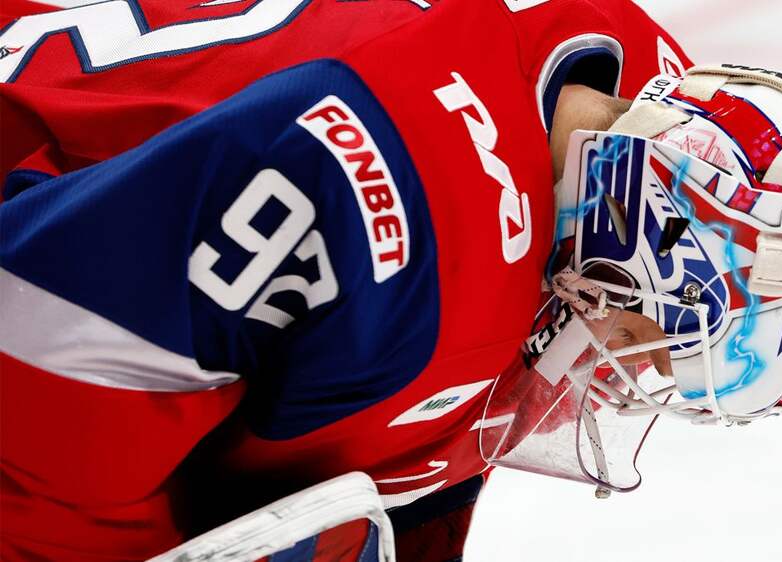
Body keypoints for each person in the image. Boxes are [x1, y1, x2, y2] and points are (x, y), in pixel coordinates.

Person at [0, 1, 693, 560]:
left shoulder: (604, 127)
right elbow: (42, 391)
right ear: (641, 221)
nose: (640, 368)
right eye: (653, 332)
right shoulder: (414, 206)